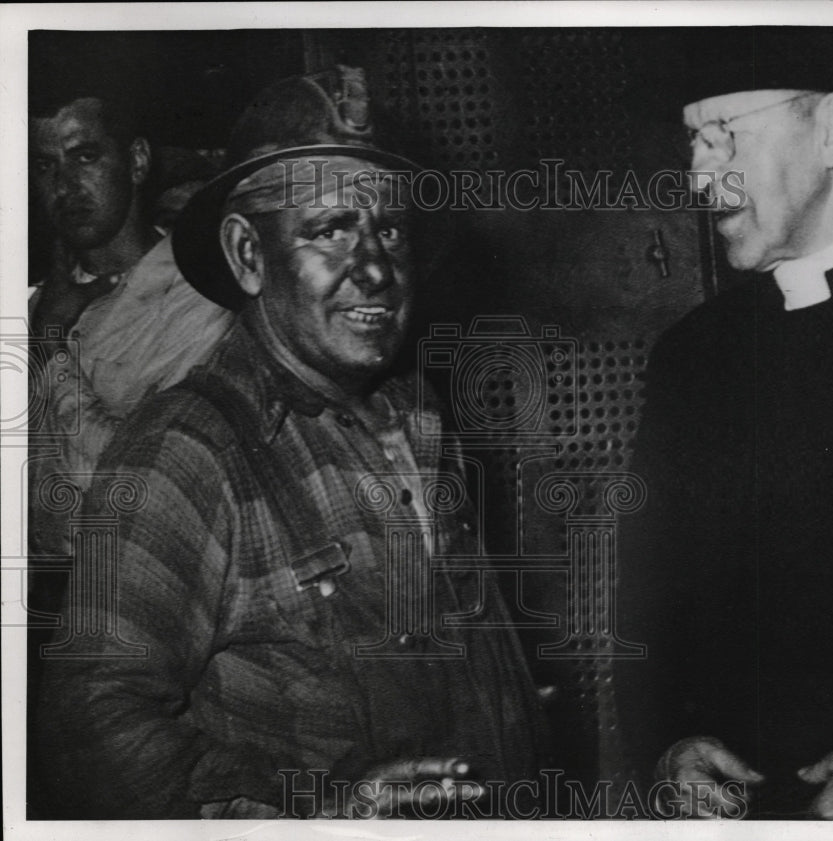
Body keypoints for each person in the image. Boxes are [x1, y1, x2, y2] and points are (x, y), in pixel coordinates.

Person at [35, 70, 545, 819]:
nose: (374, 267)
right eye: (330, 229)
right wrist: (314, 809)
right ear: (247, 253)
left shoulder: (417, 419)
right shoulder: (186, 451)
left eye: (391, 230)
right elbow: (88, 730)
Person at [615, 29, 833, 821]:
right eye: (692, 142)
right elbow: (647, 602)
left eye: (725, 137)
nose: (697, 174)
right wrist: (665, 749)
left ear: (831, 132)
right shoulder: (692, 356)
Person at [27, 87, 234, 565]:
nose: (65, 185)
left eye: (85, 157)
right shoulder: (38, 304)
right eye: (45, 166)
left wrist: (51, 347)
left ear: (137, 162)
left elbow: (144, 491)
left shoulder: (200, 303)